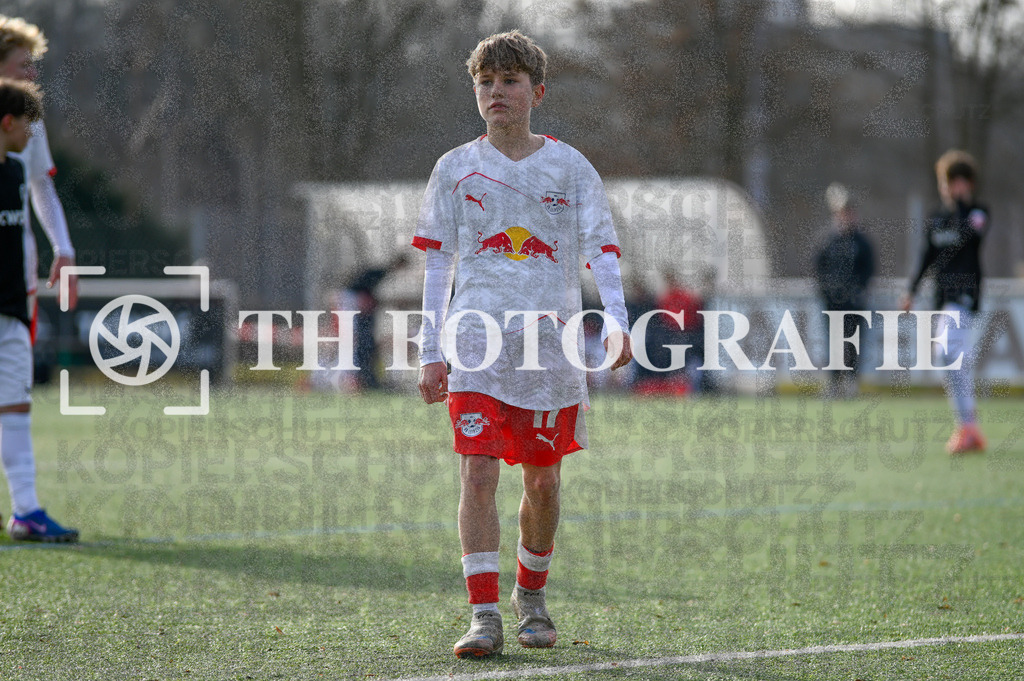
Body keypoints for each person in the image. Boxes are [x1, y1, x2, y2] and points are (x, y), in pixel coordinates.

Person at [412, 30, 631, 659]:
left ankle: (530, 597)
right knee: (477, 473)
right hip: (476, 344)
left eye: (509, 81)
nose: (495, 92)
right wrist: (432, 349)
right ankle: (484, 615)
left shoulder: (569, 166)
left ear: (536, 91)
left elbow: (602, 250)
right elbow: (436, 265)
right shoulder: (454, 169)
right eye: (485, 81)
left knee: (543, 484)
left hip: (549, 352)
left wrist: (615, 319)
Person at [0, 77, 77, 541]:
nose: (32, 136)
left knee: (16, 406)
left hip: (12, 312)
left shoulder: (13, 174)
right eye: (27, 126)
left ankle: (26, 511)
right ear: (7, 123)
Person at [900, 150, 989, 455]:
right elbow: (926, 257)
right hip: (943, 298)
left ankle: (968, 426)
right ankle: (968, 426)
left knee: (946, 352)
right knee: (950, 361)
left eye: (958, 182)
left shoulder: (978, 213)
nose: (952, 187)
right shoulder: (937, 220)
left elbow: (971, 236)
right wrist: (911, 290)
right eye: (949, 182)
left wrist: (963, 203)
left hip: (964, 296)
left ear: (968, 184)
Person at [0, 15, 78, 312]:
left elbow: (41, 186)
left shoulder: (29, 121)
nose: (32, 74)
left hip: (18, 274)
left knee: (16, 356)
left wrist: (64, 249)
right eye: (23, 65)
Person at [813, 183, 875, 398]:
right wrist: (826, 292)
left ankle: (851, 383)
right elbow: (819, 269)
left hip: (854, 303)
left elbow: (869, 270)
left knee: (853, 342)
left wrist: (859, 291)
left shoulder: (862, 242)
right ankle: (834, 383)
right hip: (832, 303)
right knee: (834, 343)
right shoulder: (827, 240)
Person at [347, 253, 409, 390]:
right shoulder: (378, 274)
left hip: (366, 316)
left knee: (367, 344)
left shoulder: (381, 274)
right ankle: (363, 379)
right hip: (360, 316)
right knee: (364, 344)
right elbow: (361, 293)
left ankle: (367, 379)